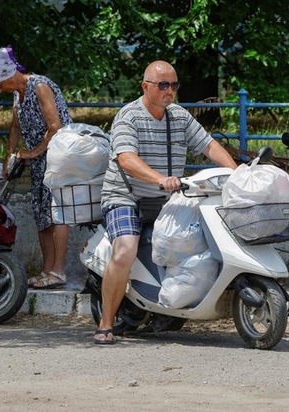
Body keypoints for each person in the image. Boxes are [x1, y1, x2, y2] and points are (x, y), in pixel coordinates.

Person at [93, 60, 238, 344]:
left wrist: (236, 173)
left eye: (173, 85)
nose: (169, 91)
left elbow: (209, 145)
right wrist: (159, 178)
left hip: (166, 198)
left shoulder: (179, 117)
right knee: (124, 251)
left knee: (198, 241)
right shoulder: (129, 116)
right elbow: (126, 158)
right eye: (162, 85)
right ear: (145, 86)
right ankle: (105, 324)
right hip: (126, 197)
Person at [0, 46, 72, 289]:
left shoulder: (39, 86)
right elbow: (15, 127)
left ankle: (58, 271)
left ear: (9, 74)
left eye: (0, 84)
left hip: (58, 157)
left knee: (57, 213)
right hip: (39, 161)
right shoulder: (17, 94)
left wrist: (32, 152)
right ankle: (47, 270)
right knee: (41, 214)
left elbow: (56, 126)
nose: (0, 90)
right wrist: (9, 154)